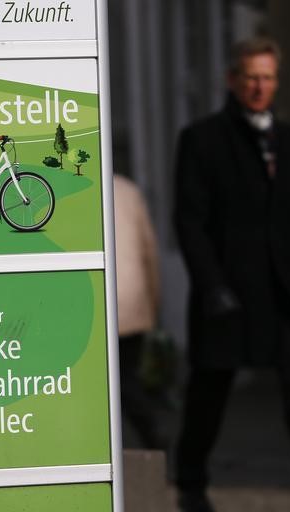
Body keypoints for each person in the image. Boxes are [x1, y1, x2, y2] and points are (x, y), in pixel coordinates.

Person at [173, 37, 290, 512]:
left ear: (276, 82)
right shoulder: (201, 139)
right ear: (232, 80)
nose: (260, 86)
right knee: (210, 390)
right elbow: (190, 222)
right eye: (251, 77)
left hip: (282, 293)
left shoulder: (289, 137)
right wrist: (212, 285)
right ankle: (191, 484)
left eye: (267, 78)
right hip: (228, 291)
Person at [113, 174, 162, 449]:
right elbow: (149, 250)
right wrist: (154, 303)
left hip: (98, 301)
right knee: (128, 377)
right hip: (133, 300)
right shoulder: (129, 190)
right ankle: (152, 437)